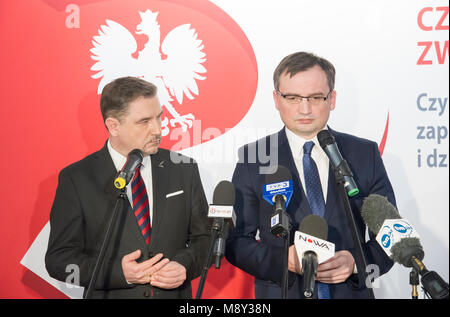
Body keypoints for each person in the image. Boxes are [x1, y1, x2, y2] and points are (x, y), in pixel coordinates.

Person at [225, 52, 396, 299]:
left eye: (316, 97)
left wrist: (357, 262)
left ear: (332, 98)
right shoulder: (254, 158)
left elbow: (393, 233)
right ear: (276, 99)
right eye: (292, 97)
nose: (304, 109)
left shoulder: (363, 154)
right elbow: (236, 242)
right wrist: (284, 260)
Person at [45, 77, 211, 299]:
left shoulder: (183, 169)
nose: (158, 129)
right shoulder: (77, 178)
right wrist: (117, 273)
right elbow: (59, 260)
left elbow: (206, 239)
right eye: (144, 121)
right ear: (113, 126)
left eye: (159, 118)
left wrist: (185, 266)